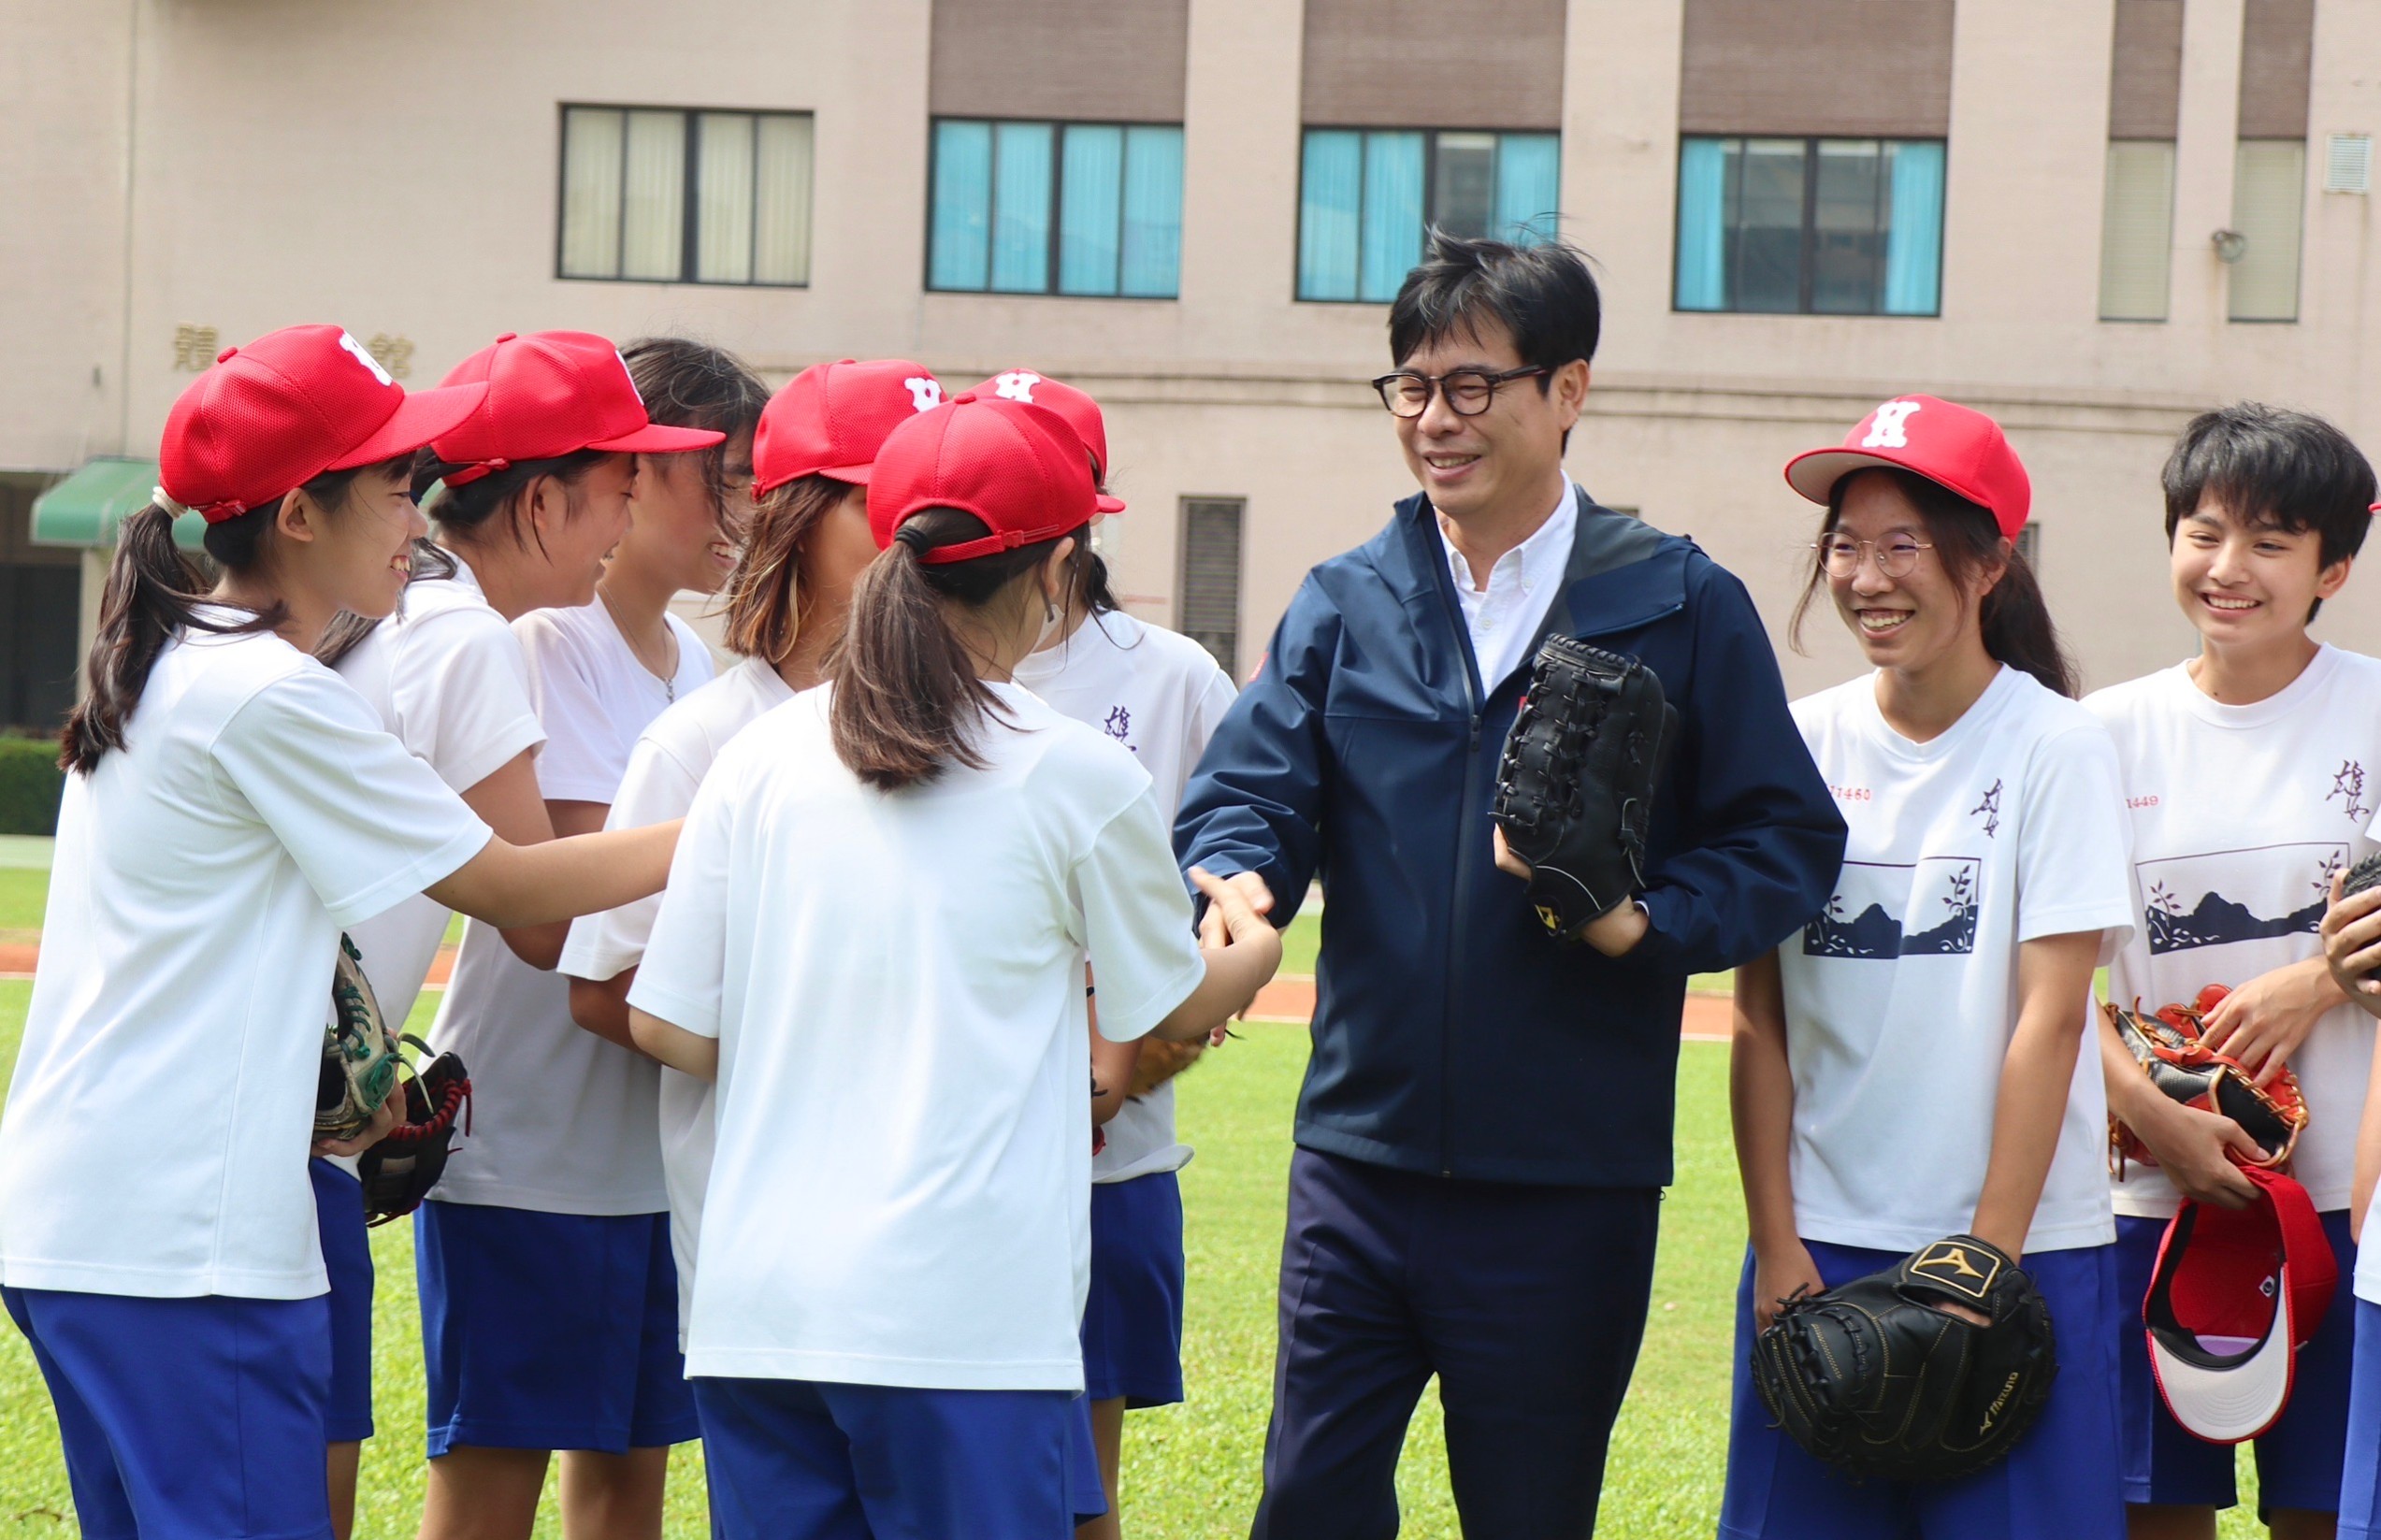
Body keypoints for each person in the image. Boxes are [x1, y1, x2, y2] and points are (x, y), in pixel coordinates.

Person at [1174, 233, 1846, 1539]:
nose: (1436, 419)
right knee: (1306, 1501)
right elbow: (1247, 788)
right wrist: (1238, 878)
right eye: (1412, 386)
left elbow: (1780, 837)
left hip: (1564, 1182)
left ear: (1569, 390)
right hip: (1356, 1167)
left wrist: (1645, 919)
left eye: (1474, 386)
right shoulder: (1346, 600)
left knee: (1529, 1513)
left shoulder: (1674, 601)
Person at [0, 324, 682, 1540]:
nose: (417, 511)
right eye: (389, 482)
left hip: (96, 1226)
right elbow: (511, 885)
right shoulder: (269, 693)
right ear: (300, 516)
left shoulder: (176, 655)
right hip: (183, 1242)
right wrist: (745, 814)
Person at [625, 393, 1281, 1540]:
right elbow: (1162, 1003)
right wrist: (1250, 942)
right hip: (960, 1321)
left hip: (757, 1311)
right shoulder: (1073, 773)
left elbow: (671, 1028)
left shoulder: (759, 755)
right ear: (1057, 564)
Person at [318, 331, 743, 1540]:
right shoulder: (478, 637)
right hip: (502, 1154)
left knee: (621, 1472)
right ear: (553, 495)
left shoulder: (462, 627)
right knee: (458, 1476)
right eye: (626, 481)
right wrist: (741, 833)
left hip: (612, 1153)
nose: (622, 517)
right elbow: (536, 910)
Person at [1723, 396, 2134, 1539]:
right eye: (1846, 546)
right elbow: (1759, 1016)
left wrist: (1983, 1264)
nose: (1865, 577)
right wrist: (1773, 1241)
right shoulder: (1798, 743)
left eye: (1903, 545)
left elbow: (2049, 1019)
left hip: (2016, 1252)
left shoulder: (2055, 746)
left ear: (1986, 561)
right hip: (1820, 1253)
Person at [560, 356, 941, 1350]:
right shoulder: (702, 741)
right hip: (766, 1252)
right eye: (880, 500)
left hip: (942, 1253)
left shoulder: (985, 742)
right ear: (796, 515)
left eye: (938, 504)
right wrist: (819, 1055)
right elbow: (604, 984)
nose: (917, 534)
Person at [2088, 404, 2375, 1540]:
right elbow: (2057, 987)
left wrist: (2320, 980)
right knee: (2155, 1518)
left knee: (2321, 1513)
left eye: (2268, 542)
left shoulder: (2371, 708)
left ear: (2331, 567)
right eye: (2203, 533)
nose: (2227, 568)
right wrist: (2151, 1122)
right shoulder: (2100, 735)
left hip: (2345, 1207)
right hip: (2153, 1203)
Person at [970, 368, 1241, 1540]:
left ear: (1083, 516)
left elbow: (1230, 854)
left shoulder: (1169, 675)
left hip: (1112, 1159)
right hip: (967, 1146)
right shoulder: (900, 673)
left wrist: (1201, 977)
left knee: (1084, 1488)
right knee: (963, 1468)